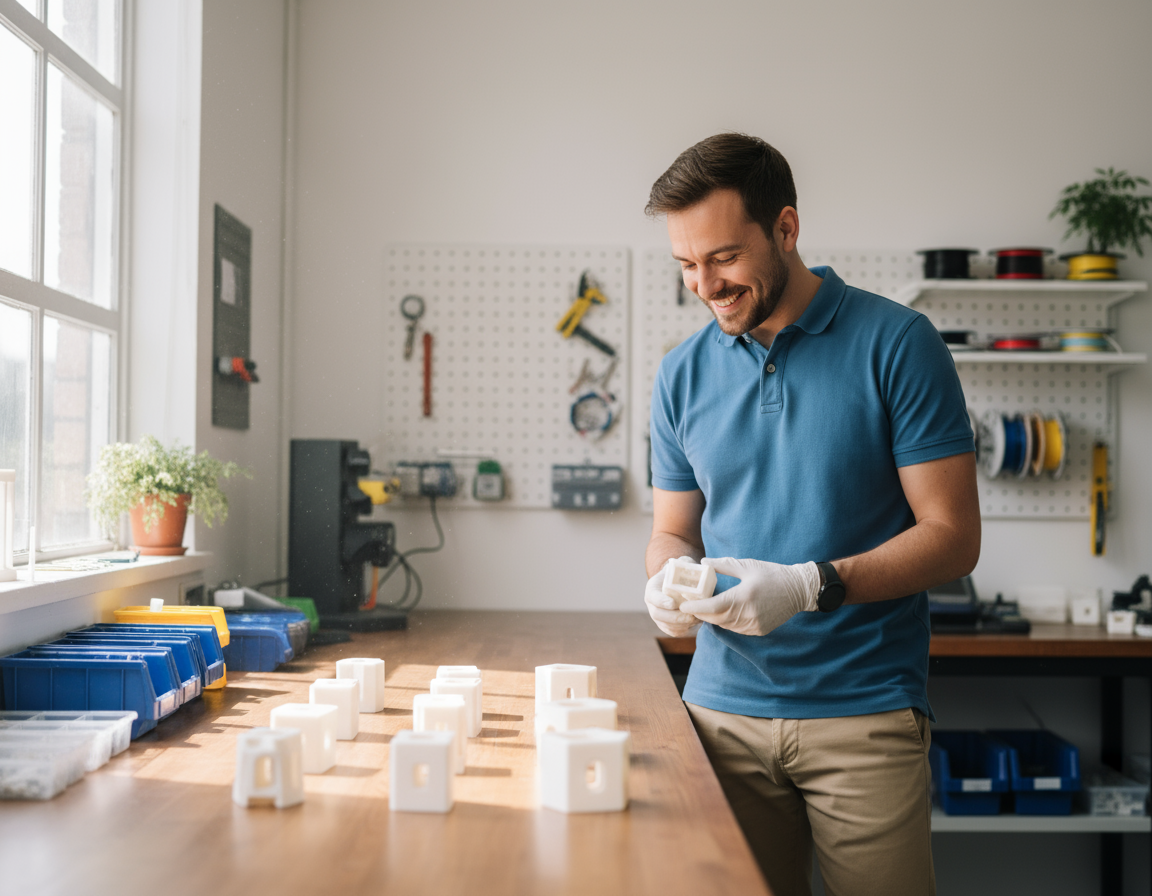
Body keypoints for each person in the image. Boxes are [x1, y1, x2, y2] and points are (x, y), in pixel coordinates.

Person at [643, 133, 980, 896]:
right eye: (687, 265)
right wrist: (665, 576)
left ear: (786, 230)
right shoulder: (680, 374)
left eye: (723, 258)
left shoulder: (897, 343)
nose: (705, 284)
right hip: (719, 714)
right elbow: (672, 529)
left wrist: (806, 585)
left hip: (864, 716)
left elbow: (954, 539)